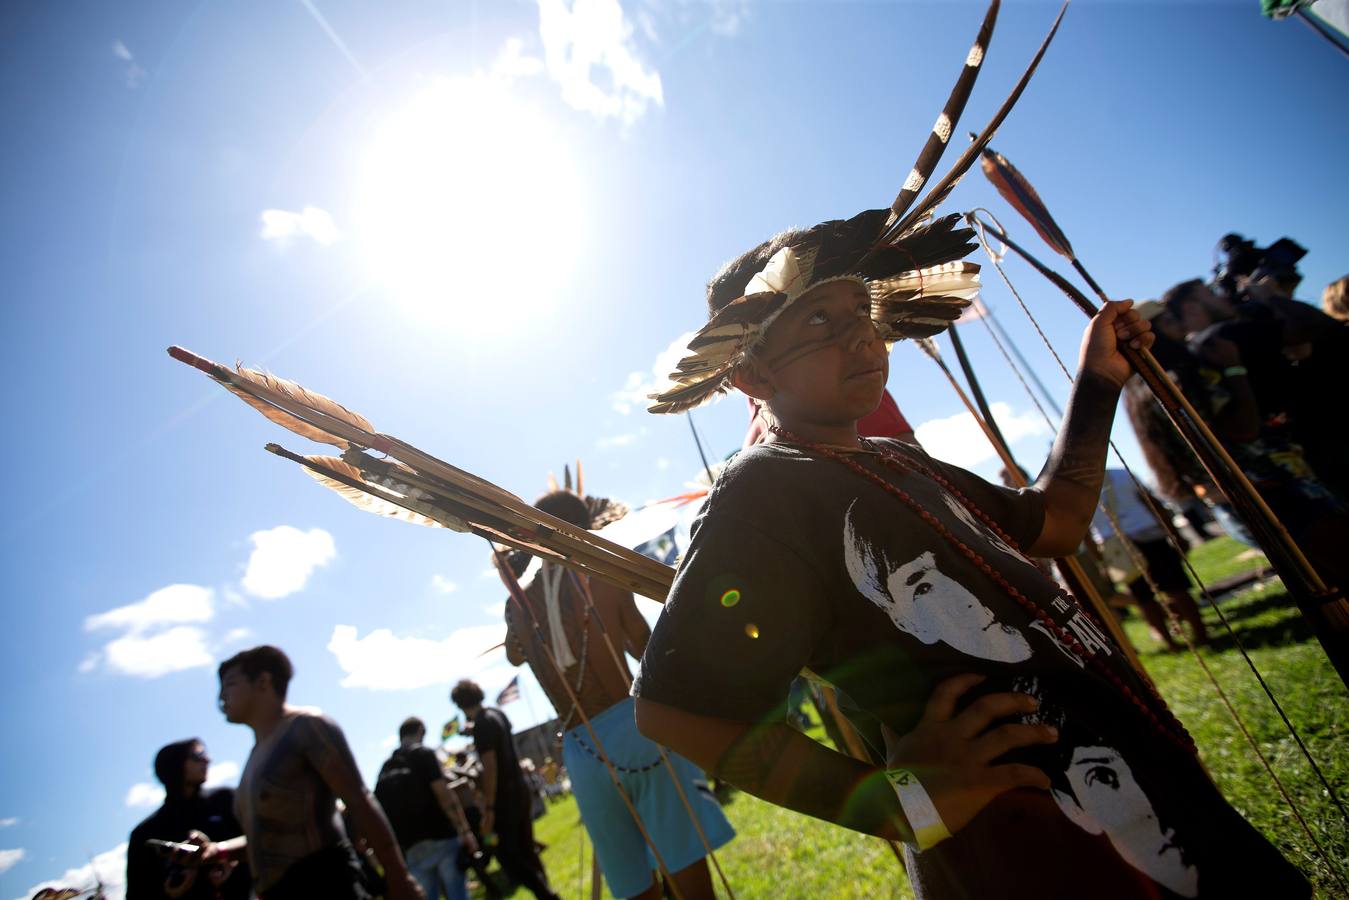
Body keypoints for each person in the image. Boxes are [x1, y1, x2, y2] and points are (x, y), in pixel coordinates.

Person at [632, 207, 1308, 898]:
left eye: (859, 311)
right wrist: (904, 803)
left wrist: (1097, 379)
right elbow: (677, 709)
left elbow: (1056, 522)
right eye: (817, 322)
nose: (861, 336)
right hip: (1029, 850)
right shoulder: (764, 488)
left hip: (1143, 800)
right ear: (751, 377)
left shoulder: (900, 461)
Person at [499, 489, 734, 900]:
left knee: (634, 884)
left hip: (581, 750)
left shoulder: (517, 602)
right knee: (688, 877)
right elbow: (646, 649)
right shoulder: (600, 575)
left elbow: (515, 655)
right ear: (581, 528)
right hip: (636, 729)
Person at [195, 645, 423, 900]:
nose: (222, 696)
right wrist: (218, 851)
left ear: (262, 681)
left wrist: (398, 876)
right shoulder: (253, 759)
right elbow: (271, 836)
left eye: (230, 684)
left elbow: (359, 800)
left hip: (325, 884)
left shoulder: (306, 727)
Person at [450, 680, 560, 900]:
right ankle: (547, 891)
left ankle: (547, 895)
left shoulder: (482, 724)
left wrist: (489, 808)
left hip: (503, 798)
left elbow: (490, 767)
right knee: (527, 849)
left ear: (460, 705)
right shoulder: (495, 714)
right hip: (519, 789)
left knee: (507, 856)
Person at [1091, 468, 1208, 650]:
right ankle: (1201, 636)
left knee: (1146, 598)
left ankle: (1174, 644)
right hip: (1147, 536)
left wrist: (1101, 559)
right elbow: (1151, 503)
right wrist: (1174, 532)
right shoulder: (1122, 474)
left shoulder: (1075, 489)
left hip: (1117, 548)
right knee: (1174, 589)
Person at [126, 739, 250, 900]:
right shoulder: (145, 832)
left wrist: (229, 859)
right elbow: (138, 892)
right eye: (198, 755)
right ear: (175, 765)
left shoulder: (225, 799)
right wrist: (170, 894)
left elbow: (262, 839)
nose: (207, 759)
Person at [375, 717, 478, 900]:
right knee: (458, 895)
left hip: (410, 846)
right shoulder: (423, 754)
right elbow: (444, 796)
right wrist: (465, 831)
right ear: (420, 731)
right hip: (442, 836)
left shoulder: (386, 767)